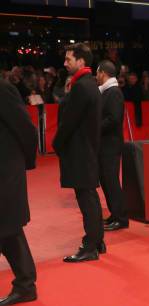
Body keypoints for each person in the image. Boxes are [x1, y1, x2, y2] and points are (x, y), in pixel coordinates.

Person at [52, 43, 105, 262]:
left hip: (80, 151)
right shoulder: (88, 84)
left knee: (86, 198)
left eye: (68, 59)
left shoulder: (82, 87)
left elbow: (68, 122)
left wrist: (56, 144)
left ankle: (90, 246)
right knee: (89, 197)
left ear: (81, 61)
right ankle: (97, 241)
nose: (65, 64)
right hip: (87, 150)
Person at [0, 79, 38, 306]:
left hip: (5, 170)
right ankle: (25, 283)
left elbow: (26, 129)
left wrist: (23, 162)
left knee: (8, 227)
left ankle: (25, 284)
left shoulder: (3, 89)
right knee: (6, 229)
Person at [96, 60, 129, 231]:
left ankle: (121, 218)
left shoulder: (113, 92)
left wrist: (95, 127)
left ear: (103, 73)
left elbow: (114, 119)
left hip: (111, 145)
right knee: (106, 180)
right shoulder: (106, 92)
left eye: (97, 73)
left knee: (111, 181)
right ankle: (115, 214)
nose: (96, 76)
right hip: (105, 144)